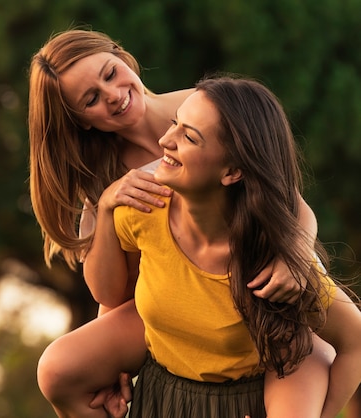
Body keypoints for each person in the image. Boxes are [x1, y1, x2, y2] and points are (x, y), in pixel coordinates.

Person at [29, 29, 330, 417]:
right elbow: (115, 291)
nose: (113, 95)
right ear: (80, 120)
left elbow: (293, 204)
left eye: (110, 73)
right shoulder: (104, 177)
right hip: (171, 302)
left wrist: (297, 256)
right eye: (91, 100)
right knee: (57, 370)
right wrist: (113, 362)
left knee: (326, 349)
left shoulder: (203, 107)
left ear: (123, 56)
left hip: (247, 283)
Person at [86, 75, 361, 417]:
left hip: (259, 389)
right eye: (175, 124)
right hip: (165, 391)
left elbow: (355, 341)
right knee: (57, 369)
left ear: (232, 171)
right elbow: (112, 297)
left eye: (188, 136)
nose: (164, 141)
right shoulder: (141, 208)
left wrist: (325, 413)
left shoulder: (271, 262)